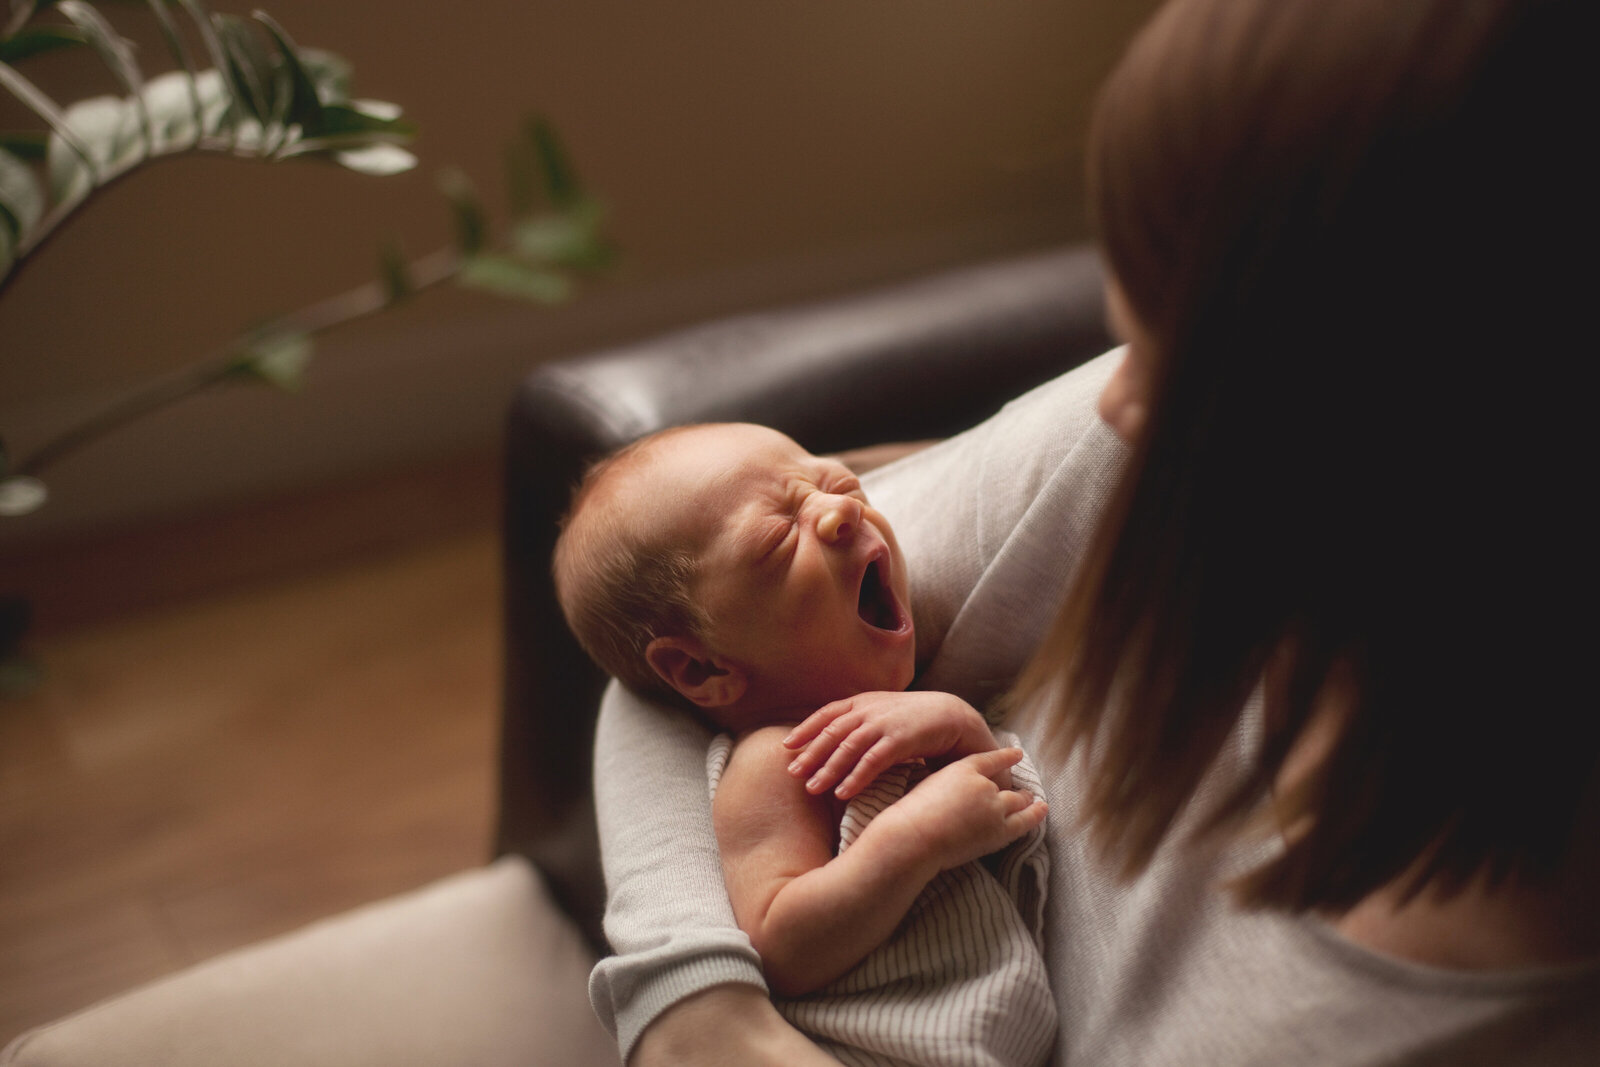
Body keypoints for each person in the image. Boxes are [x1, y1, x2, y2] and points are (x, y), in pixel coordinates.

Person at [589, 0, 1598, 1063]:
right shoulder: (1131, 466)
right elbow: (655, 673)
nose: (1113, 402)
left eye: (1179, 354)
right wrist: (696, 1014)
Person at [554, 422, 1055, 1067]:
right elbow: (782, 943)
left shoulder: (896, 711)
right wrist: (915, 840)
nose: (839, 510)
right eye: (776, 538)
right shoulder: (776, 762)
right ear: (703, 670)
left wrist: (960, 728)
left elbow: (999, 809)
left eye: (833, 481)